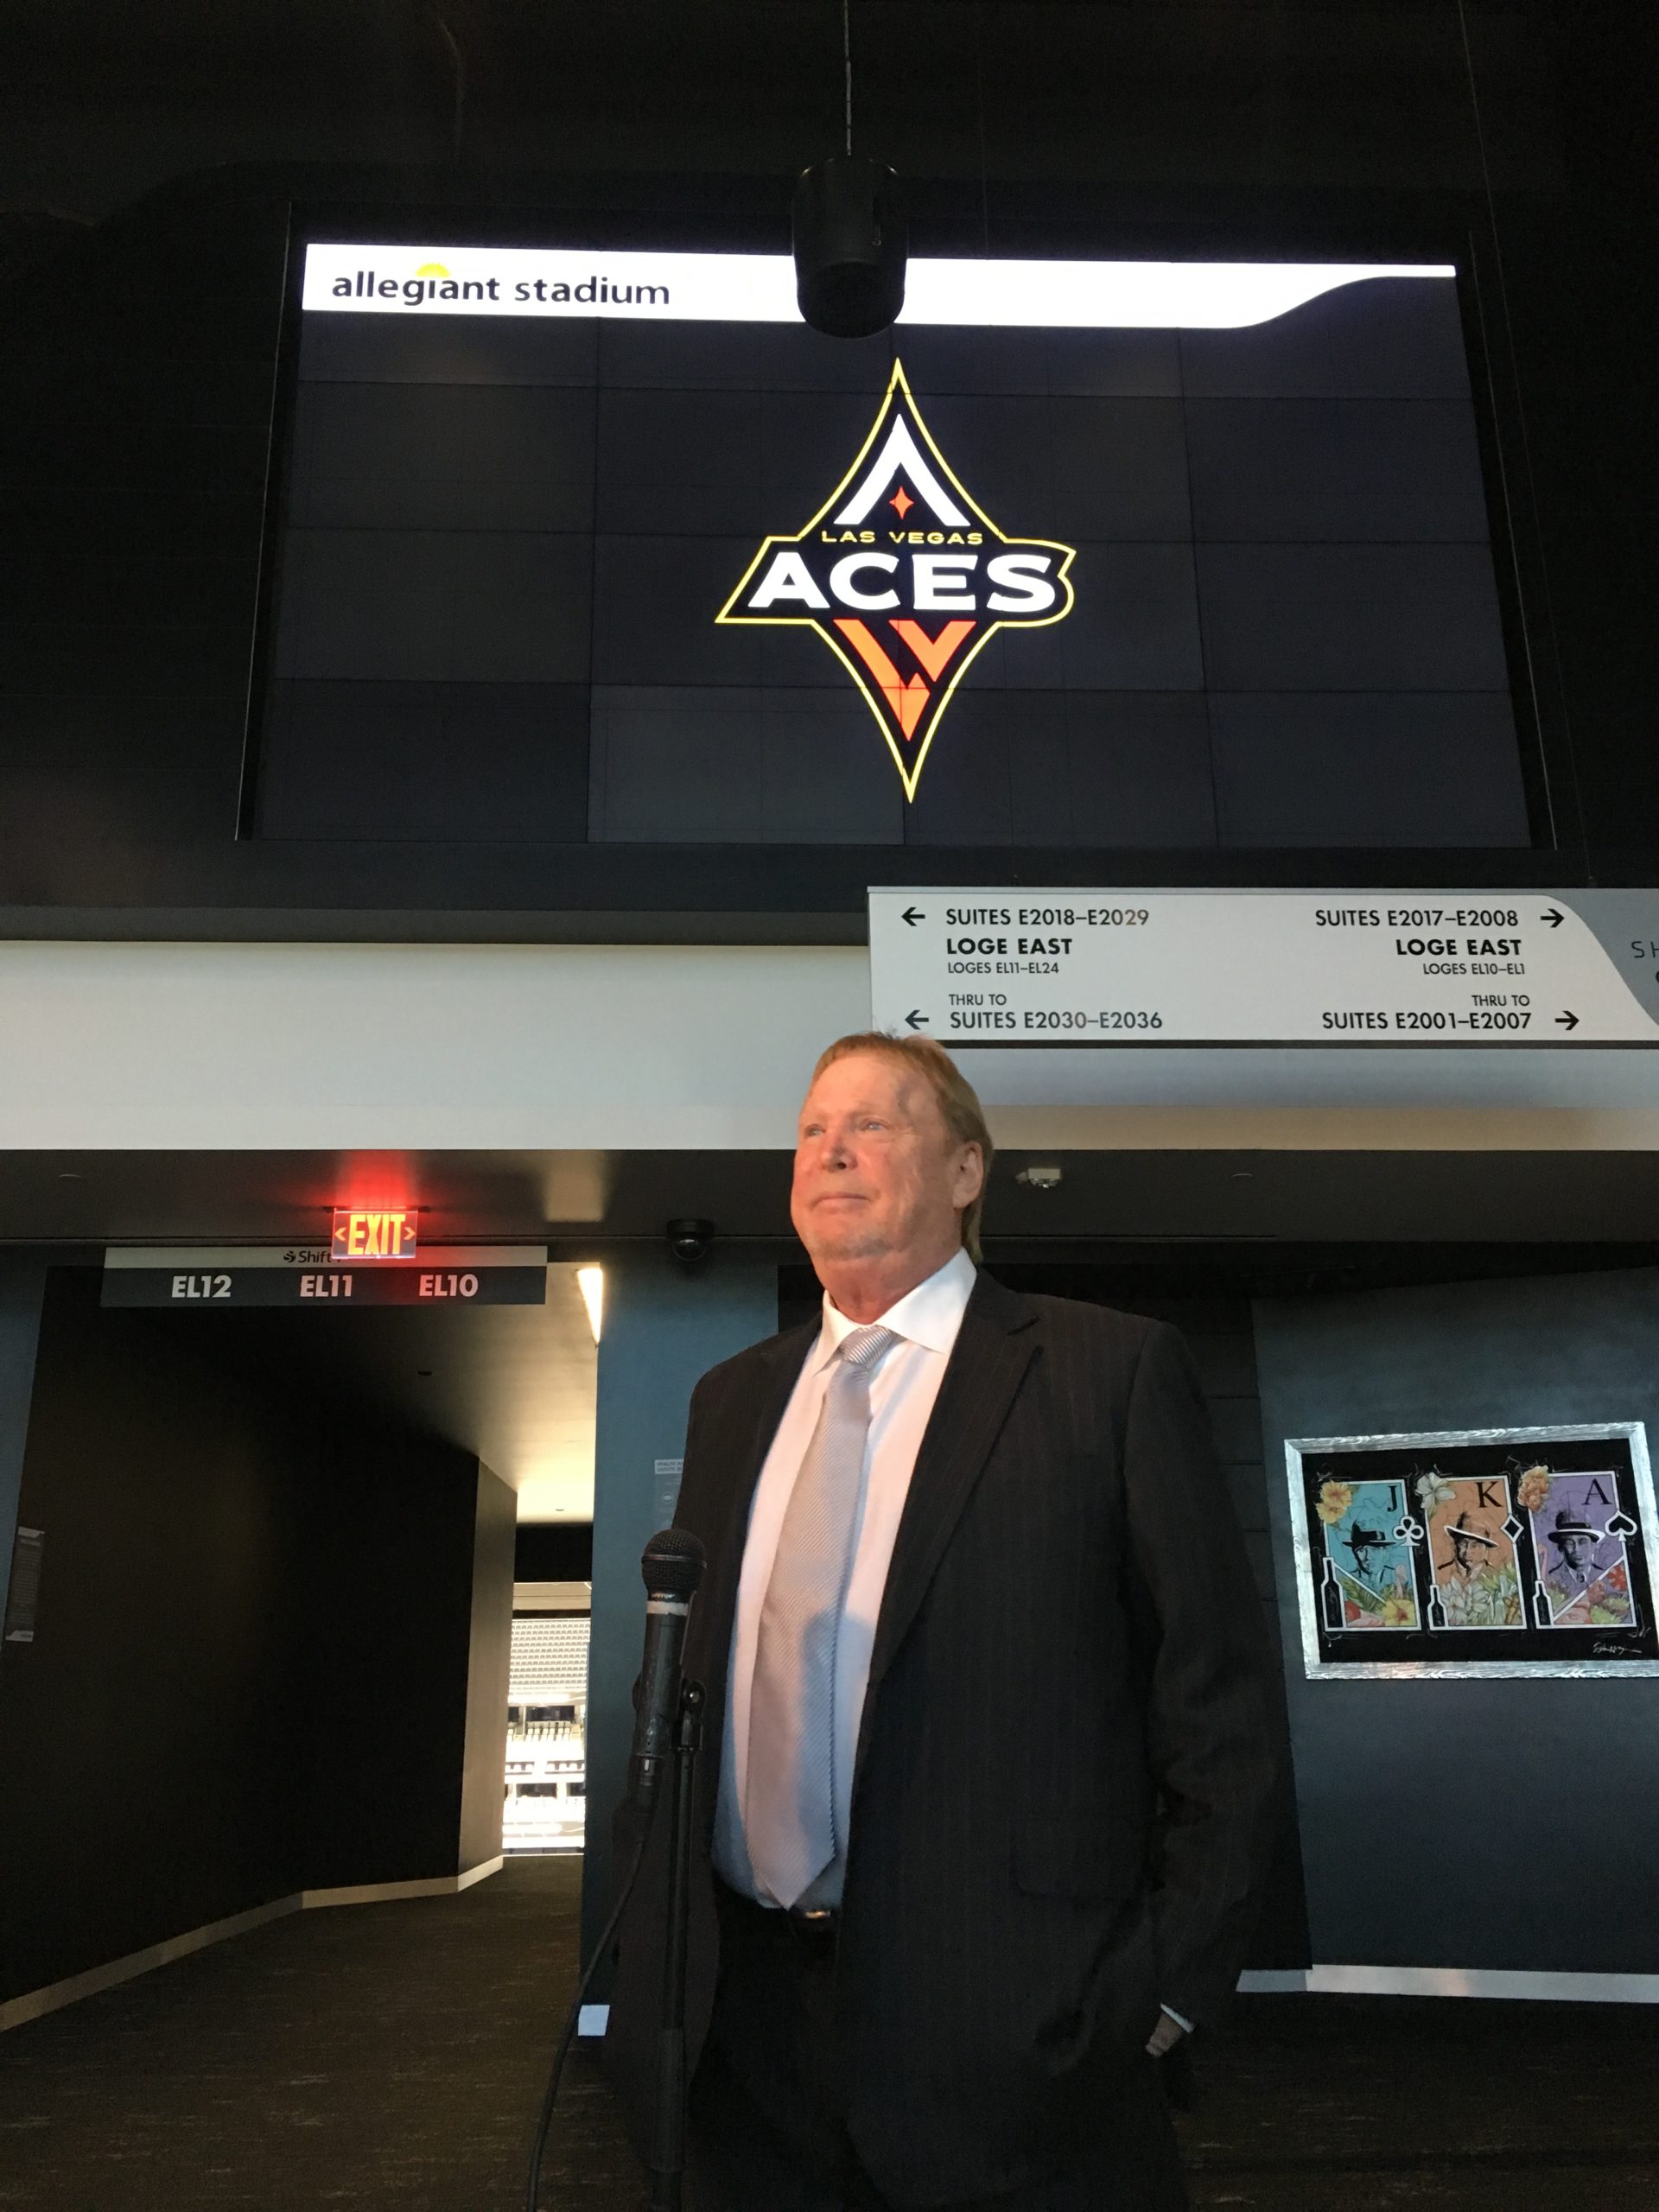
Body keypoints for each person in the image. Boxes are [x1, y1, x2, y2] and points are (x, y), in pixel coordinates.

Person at [607, 1033, 1281, 2211]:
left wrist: (1166, 1987)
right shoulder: (733, 1399)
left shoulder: (1106, 1373)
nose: (831, 1151)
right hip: (747, 2043)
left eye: (871, 1124)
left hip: (1020, 2043)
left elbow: (1218, 1711)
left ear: (967, 1170)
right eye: (812, 1131)